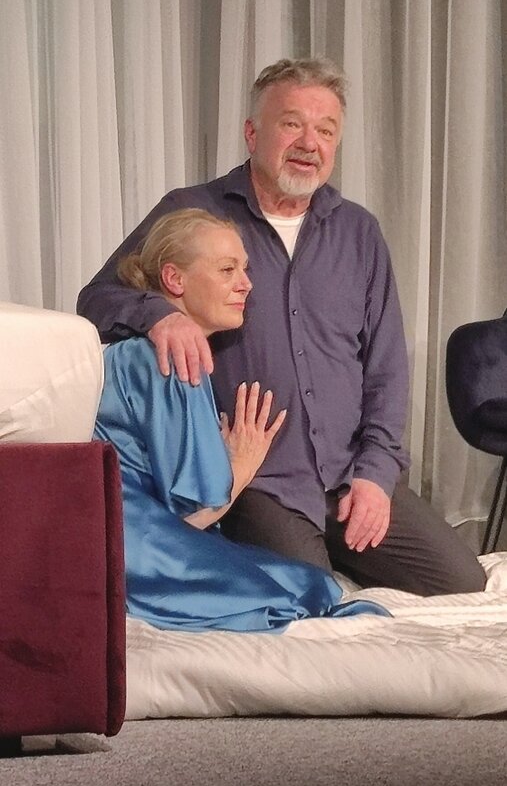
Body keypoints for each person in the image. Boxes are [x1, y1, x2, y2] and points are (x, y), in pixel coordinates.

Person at [80, 57, 485, 597]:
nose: (309, 142)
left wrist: (375, 474)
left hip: (348, 472)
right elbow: (96, 300)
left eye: (326, 130)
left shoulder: (359, 232)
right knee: (310, 598)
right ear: (253, 133)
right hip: (259, 482)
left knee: (463, 583)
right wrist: (161, 315)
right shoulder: (191, 210)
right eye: (292, 123)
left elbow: (386, 368)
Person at [94, 207, 386, 631]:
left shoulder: (150, 351)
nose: (246, 283)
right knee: (295, 596)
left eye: (245, 269)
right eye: (227, 270)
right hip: (134, 549)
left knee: (313, 583)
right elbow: (194, 515)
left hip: (133, 536)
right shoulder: (172, 357)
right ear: (175, 279)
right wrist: (242, 465)